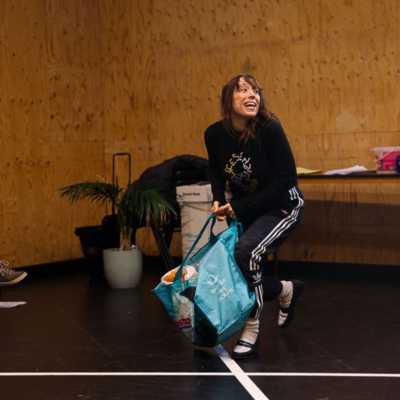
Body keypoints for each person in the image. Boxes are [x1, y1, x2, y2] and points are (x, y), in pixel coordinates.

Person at [204, 74, 304, 359]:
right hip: (249, 208)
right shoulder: (214, 134)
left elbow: (286, 180)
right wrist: (218, 200)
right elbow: (214, 169)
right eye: (243, 91)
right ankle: (285, 290)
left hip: (283, 206)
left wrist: (239, 208)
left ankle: (252, 326)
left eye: (256, 91)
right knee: (241, 264)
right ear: (228, 100)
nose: (252, 96)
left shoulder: (269, 129)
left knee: (246, 252)